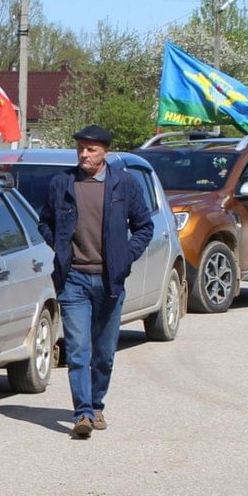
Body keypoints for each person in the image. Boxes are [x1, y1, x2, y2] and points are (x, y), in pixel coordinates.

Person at [36, 123, 154, 440]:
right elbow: (44, 221)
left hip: (109, 280)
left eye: (91, 149)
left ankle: (97, 403)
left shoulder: (124, 185)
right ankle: (83, 413)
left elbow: (144, 227)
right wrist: (60, 248)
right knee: (77, 350)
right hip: (72, 278)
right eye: (81, 148)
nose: (84, 154)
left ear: (105, 153)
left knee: (104, 354)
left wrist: (125, 256)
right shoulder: (62, 183)